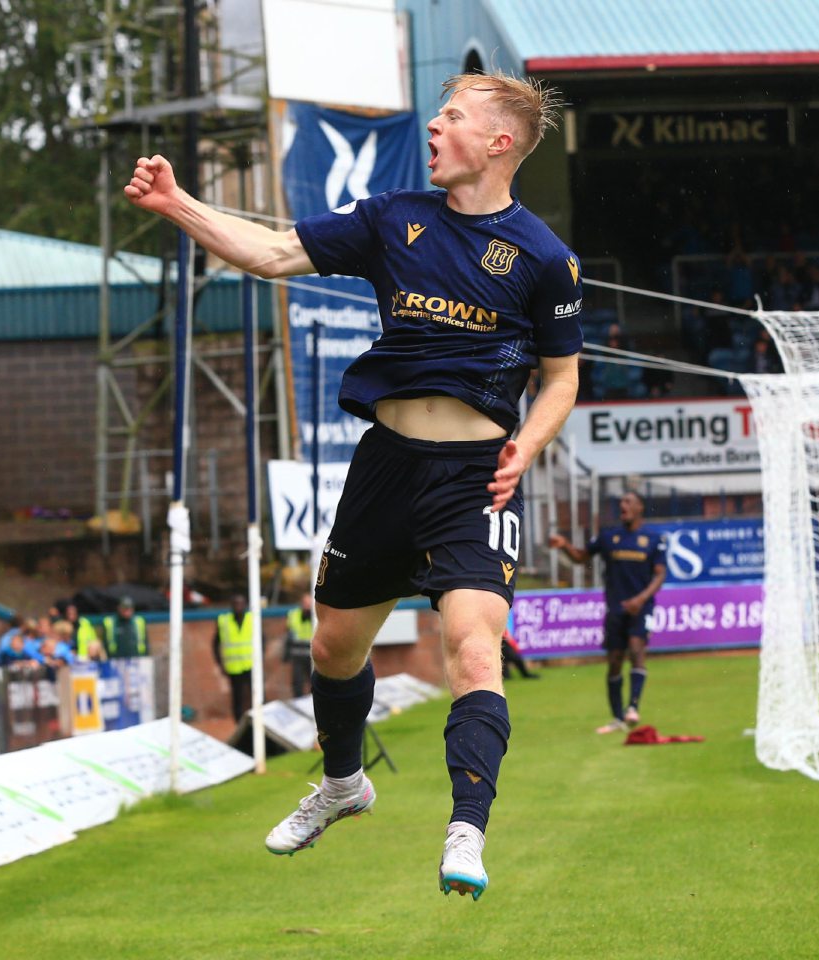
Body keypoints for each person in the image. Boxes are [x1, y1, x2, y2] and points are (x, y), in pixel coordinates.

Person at [126, 67, 582, 900]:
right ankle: (342, 785)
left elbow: (561, 378)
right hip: (384, 468)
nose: (435, 130)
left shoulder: (546, 259)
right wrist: (177, 204)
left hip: (474, 480)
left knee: (474, 650)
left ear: (500, 141)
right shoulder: (392, 219)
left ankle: (466, 831)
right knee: (334, 648)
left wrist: (531, 445)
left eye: (451, 118)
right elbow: (269, 252)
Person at [549, 491, 668, 734]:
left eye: (628, 502)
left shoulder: (654, 539)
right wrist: (564, 546)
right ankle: (617, 718)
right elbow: (582, 558)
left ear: (639, 507)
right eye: (621, 502)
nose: (622, 506)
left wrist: (641, 599)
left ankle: (633, 707)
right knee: (614, 662)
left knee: (636, 649)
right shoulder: (608, 536)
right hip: (615, 608)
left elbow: (660, 574)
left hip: (641, 606)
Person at [214, 594, 254, 722]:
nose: (238, 607)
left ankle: (256, 721)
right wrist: (220, 663)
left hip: (251, 664)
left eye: (241, 603)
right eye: (235, 603)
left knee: (256, 694)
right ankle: (238, 723)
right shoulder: (224, 621)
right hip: (234, 667)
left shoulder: (252, 619)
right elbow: (216, 643)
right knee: (237, 697)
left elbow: (262, 640)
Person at [284, 594, 315, 698]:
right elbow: (289, 634)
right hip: (297, 655)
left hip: (312, 656)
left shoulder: (315, 616)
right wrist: (286, 652)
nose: (307, 606)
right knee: (297, 682)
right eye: (305, 603)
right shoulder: (293, 615)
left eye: (309, 604)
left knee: (314, 682)